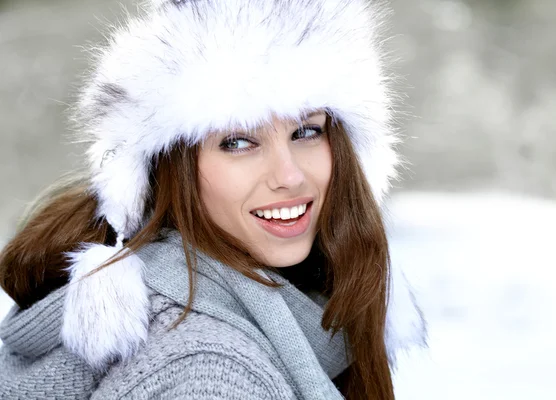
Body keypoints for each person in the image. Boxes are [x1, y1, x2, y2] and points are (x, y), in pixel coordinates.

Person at [0, 0, 427, 399]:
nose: (289, 176)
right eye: (238, 142)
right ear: (172, 170)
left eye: (307, 132)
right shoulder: (211, 374)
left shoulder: (244, 312)